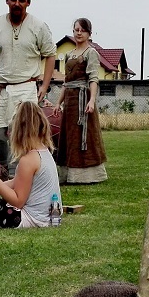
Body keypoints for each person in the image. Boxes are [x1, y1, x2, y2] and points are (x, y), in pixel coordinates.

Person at [0, 0, 56, 178]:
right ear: (7, 0)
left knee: (23, 133)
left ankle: (18, 176)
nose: (17, 3)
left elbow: (50, 55)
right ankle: (4, 166)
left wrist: (45, 85)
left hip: (26, 87)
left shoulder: (38, 26)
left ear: (28, 3)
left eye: (21, 0)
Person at [0, 101, 61, 229]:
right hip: (47, 217)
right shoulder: (44, 151)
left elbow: (18, 202)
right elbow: (15, 183)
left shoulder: (28, 160)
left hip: (31, 219)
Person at [53, 17, 108, 184]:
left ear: (89, 33)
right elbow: (66, 82)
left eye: (83, 30)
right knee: (69, 136)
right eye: (76, 30)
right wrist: (58, 102)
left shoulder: (91, 53)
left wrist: (92, 100)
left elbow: (93, 78)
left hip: (83, 100)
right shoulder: (69, 55)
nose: (79, 33)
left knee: (85, 136)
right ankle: (68, 174)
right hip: (69, 102)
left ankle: (87, 175)